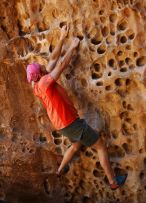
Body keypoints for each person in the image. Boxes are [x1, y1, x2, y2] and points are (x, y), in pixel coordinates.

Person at [26, 25, 127, 190]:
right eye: (40, 67)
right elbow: (62, 64)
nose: (43, 66)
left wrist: (61, 37)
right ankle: (113, 182)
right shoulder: (44, 83)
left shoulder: (37, 84)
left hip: (62, 126)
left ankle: (59, 170)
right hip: (70, 123)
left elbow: (52, 59)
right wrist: (72, 47)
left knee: (75, 146)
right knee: (100, 146)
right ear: (39, 74)